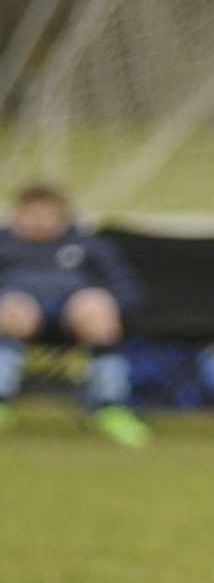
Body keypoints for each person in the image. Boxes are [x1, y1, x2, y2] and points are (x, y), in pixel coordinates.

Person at [0, 182, 152, 446]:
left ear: (63, 216)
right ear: (17, 214)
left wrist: (105, 304)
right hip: (20, 316)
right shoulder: (4, 246)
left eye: (46, 214)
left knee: (93, 305)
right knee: (14, 307)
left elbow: (128, 291)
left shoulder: (92, 247)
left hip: (77, 317)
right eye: (31, 214)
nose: (38, 222)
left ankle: (110, 406)